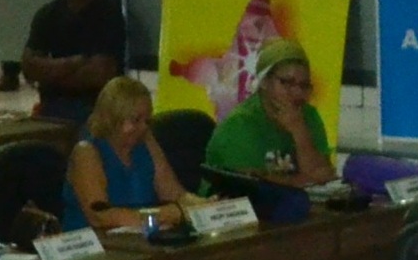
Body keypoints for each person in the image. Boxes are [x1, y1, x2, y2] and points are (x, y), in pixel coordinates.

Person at [62, 76, 197, 234]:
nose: (143, 128)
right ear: (111, 119)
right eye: (135, 120)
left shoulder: (146, 142)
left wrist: (204, 204)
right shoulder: (86, 152)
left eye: (146, 120)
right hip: (92, 249)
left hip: (138, 243)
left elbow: (176, 194)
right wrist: (170, 214)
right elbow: (100, 216)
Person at [200, 40, 336, 188]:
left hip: (287, 202)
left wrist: (299, 131)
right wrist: (302, 181)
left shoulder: (308, 115)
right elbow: (251, 183)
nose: (297, 93)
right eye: (286, 82)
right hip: (230, 204)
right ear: (264, 81)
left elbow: (322, 175)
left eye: (304, 86)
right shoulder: (240, 123)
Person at [23, 0, 127, 125]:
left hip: (96, 111)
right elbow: (30, 68)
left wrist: (50, 73)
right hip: (51, 108)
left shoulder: (110, 17)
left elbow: (100, 74)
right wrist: (75, 62)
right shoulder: (48, 14)